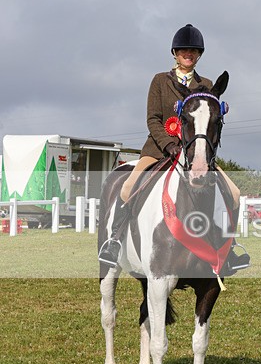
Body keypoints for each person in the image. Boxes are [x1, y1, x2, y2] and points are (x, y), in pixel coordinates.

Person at [98, 24, 249, 274]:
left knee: (233, 192)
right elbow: (153, 119)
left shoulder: (207, 84)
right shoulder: (160, 81)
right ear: (175, 53)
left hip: (196, 153)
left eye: (193, 51)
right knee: (126, 188)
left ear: (198, 54)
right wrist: (169, 145)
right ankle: (114, 241)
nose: (188, 54)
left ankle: (230, 248)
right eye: (183, 51)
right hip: (158, 149)